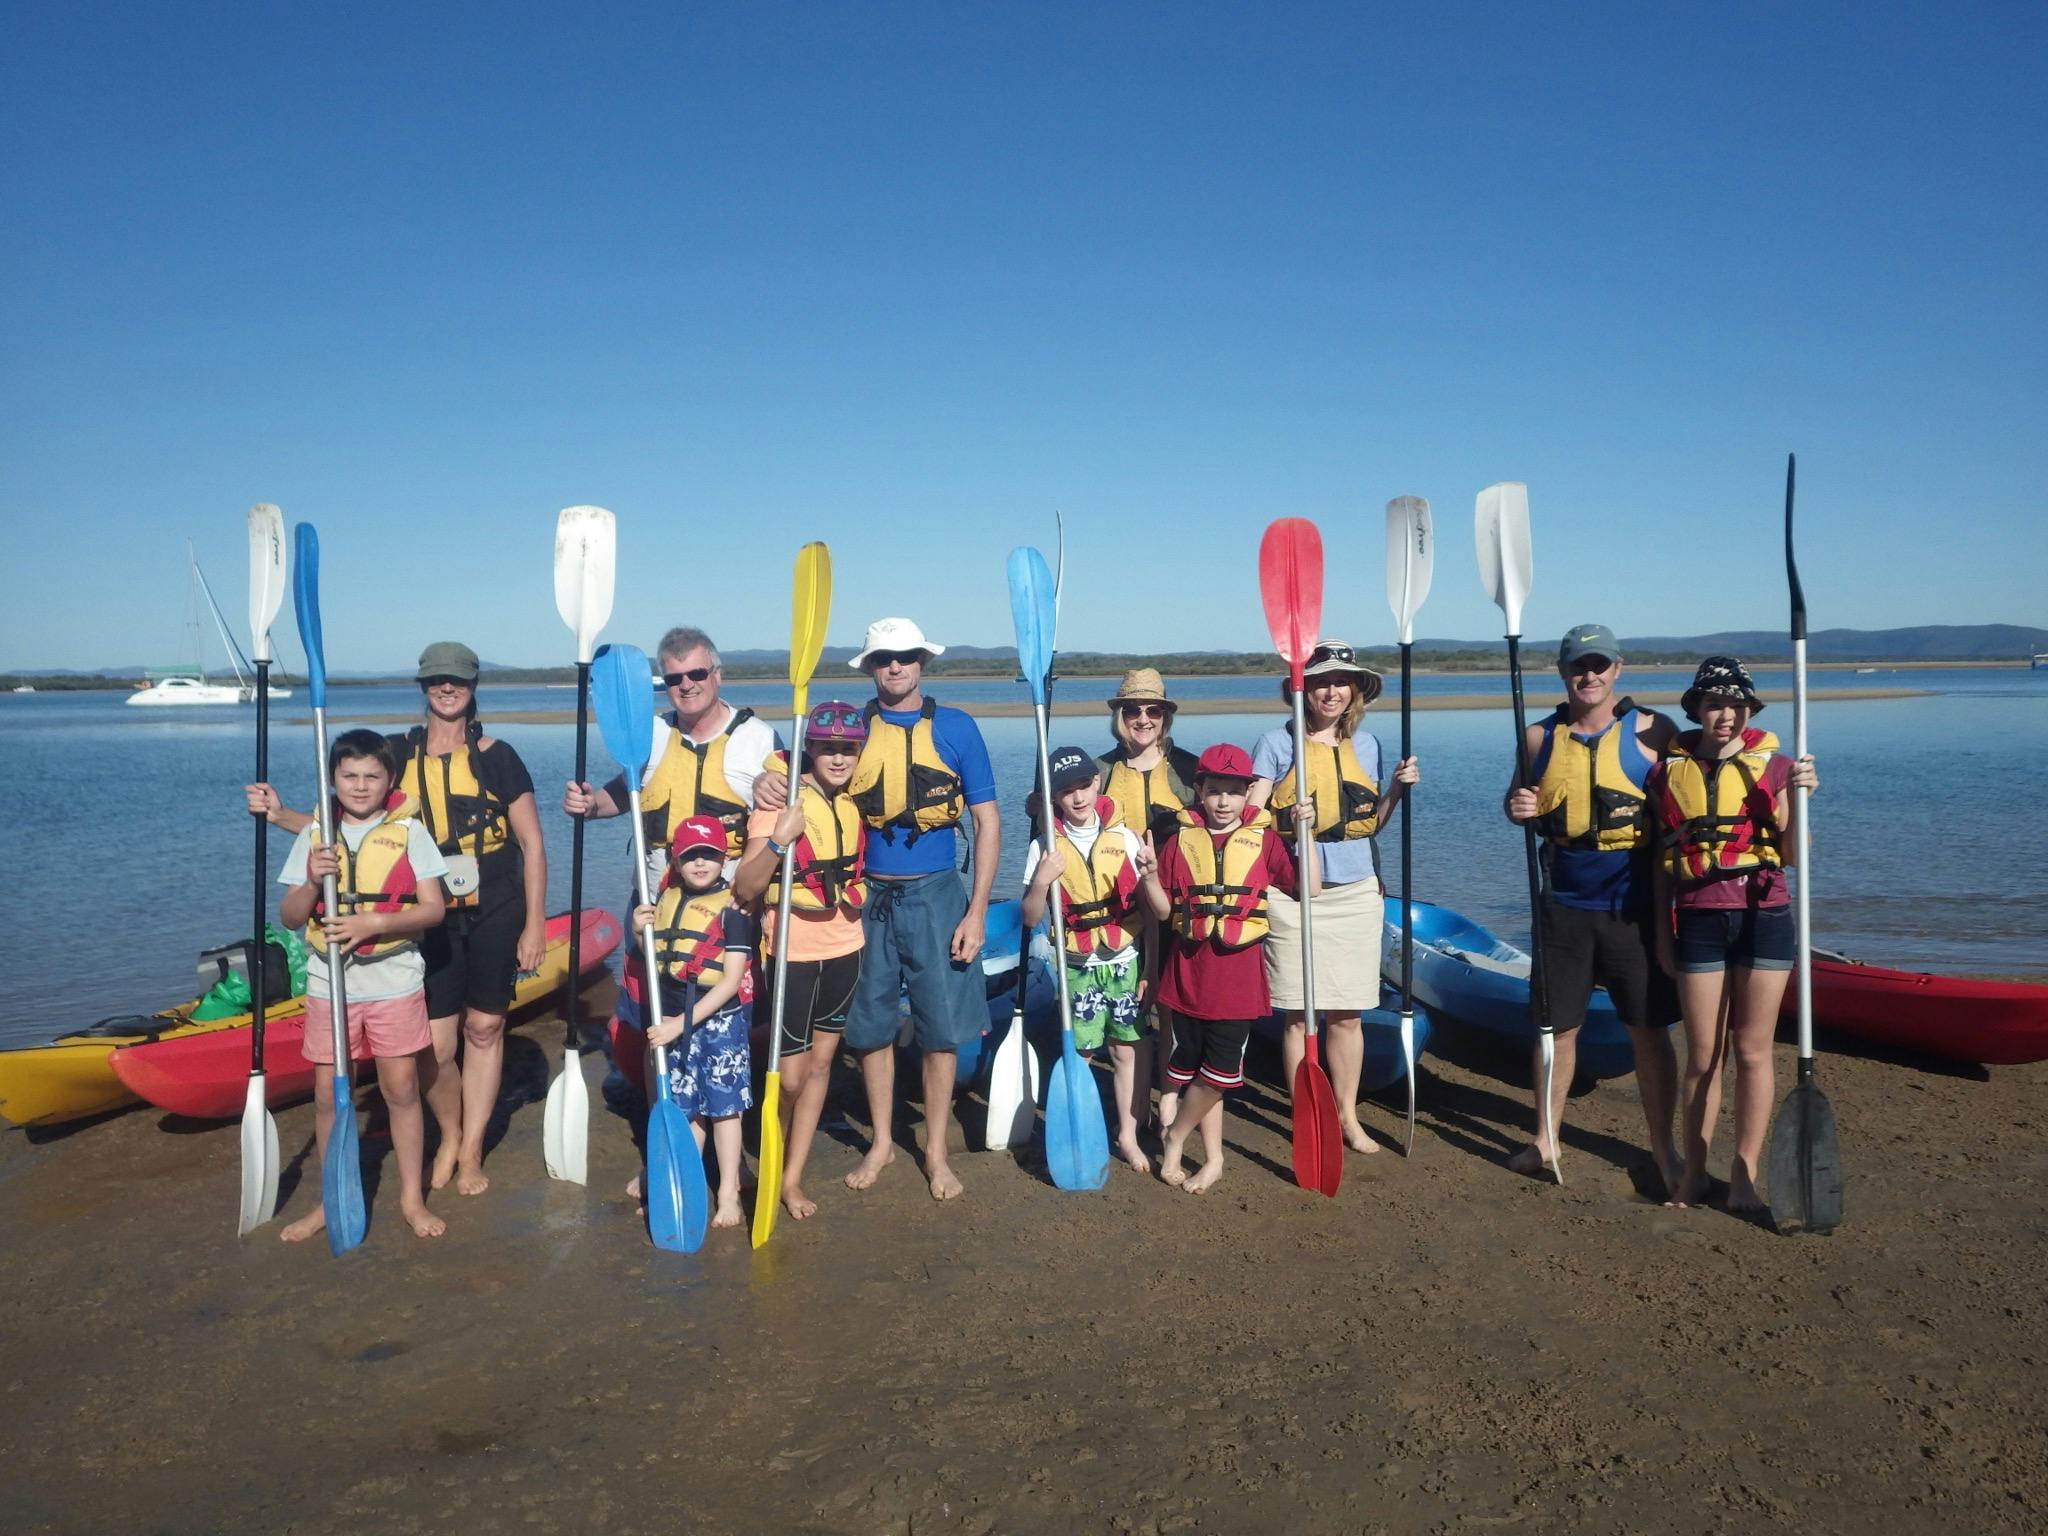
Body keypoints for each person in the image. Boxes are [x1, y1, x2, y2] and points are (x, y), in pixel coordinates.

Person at [249, 641, 547, 1198]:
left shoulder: (499, 756)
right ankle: (451, 1133)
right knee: (434, 1047)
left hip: (495, 907)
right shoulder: (393, 752)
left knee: (484, 1028)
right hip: (423, 917)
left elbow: (532, 844)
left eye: (456, 679)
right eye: (436, 679)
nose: (447, 688)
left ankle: (472, 1149)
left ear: (473, 685)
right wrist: (279, 814)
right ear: (423, 686)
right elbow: (348, 823)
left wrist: (534, 925)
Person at [755, 618, 999, 1201]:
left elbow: (988, 822)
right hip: (865, 897)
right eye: (883, 658)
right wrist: (767, 782)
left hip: (938, 893)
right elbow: (791, 768)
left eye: (906, 656)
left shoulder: (958, 729)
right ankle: (884, 1140)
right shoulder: (849, 730)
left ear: (922, 662)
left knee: (941, 1031)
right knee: (870, 1028)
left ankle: (936, 1153)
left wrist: (978, 912)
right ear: (869, 666)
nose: (896, 666)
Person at [1503, 624, 1683, 1191]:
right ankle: (1546, 1140)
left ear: (1618, 670)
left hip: (1633, 907)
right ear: (1562, 673)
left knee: (1648, 1031)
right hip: (1563, 905)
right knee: (1556, 1031)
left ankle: (1664, 1149)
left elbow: (1695, 798)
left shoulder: (1656, 733)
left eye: (1599, 665)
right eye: (1579, 666)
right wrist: (1518, 807)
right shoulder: (1537, 739)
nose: (1590, 675)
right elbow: (1514, 804)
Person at [1649, 656, 1818, 1215]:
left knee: (1752, 1049)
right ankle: (1694, 1175)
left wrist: (1802, 801)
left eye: (1737, 704)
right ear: (1696, 708)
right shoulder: (1667, 772)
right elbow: (1659, 864)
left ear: (1750, 709)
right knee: (1704, 1054)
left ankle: (1743, 1175)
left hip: (1763, 914)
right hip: (1697, 916)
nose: (1727, 715)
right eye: (1716, 703)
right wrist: (1663, 936)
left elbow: (1793, 857)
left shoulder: (1779, 767)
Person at [275, 729, 450, 1242]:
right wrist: (311, 881)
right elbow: (289, 918)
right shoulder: (315, 834)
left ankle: (411, 1198)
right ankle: (331, 1201)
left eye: (372, 776)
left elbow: (433, 908)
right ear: (333, 779)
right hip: (331, 986)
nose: (360, 785)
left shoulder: (409, 832)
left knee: (400, 1090)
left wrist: (372, 924)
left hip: (393, 981)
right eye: (349, 775)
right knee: (330, 1098)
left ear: (389, 780)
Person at [1249, 640, 1418, 1155]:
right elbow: (1250, 818)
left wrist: (1395, 792)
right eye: (1321, 680)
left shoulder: (1367, 748)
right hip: (1294, 892)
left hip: (1357, 891)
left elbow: (1369, 825)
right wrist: (1285, 820)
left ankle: (1347, 1116)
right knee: (1300, 1014)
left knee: (1348, 1013)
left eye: (1341, 681)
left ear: (1356, 691)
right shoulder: (1275, 745)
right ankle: (1308, 1112)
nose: (1331, 690)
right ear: (1301, 689)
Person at [1139, 744, 1316, 1193]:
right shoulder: (1179, 842)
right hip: (1188, 974)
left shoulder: (1266, 840)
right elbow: (1163, 912)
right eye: (1214, 791)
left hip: (1237, 980)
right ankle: (1214, 1158)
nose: (1223, 803)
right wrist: (1147, 875)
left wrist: (1305, 833)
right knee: (1197, 1070)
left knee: (1219, 1074)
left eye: (1234, 793)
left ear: (1248, 794)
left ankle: (1176, 1135)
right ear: (1198, 790)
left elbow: (1308, 888)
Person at [732, 701, 870, 1221]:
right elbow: (746, 885)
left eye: (847, 749)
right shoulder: (779, 802)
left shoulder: (851, 801)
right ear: (808, 748)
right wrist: (778, 840)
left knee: (820, 1066)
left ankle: (790, 1180)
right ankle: (768, 1153)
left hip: (846, 949)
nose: (838, 758)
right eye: (827, 747)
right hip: (792, 954)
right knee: (789, 1078)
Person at [1020, 745, 1160, 1173]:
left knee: (1126, 1052)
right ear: (1054, 797)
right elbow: (1030, 917)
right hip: (1078, 967)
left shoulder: (1125, 838)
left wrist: (1150, 971)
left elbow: (1153, 916)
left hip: (1125, 961)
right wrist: (1042, 882)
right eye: (1066, 791)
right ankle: (1078, 1124)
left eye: (1083, 786)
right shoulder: (1044, 847)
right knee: (1079, 1054)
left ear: (1096, 783)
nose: (1078, 798)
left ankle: (1128, 1135)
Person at [628, 814, 756, 1229]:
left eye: (710, 856)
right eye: (691, 856)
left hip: (717, 1024)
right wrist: (635, 931)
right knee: (687, 1110)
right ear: (675, 860)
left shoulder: (733, 911)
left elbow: (731, 982)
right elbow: (651, 952)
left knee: (724, 1110)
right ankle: (686, 1183)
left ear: (724, 859)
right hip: (673, 1020)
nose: (701, 864)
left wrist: (677, 1026)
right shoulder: (660, 901)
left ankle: (729, 1193)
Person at [1094, 667, 1200, 1134]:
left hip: (1174, 906)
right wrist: (1037, 808)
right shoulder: (1097, 771)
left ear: (1165, 716)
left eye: (1152, 710)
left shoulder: (1191, 770)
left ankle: (1170, 1099)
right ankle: (1133, 1110)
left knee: (1172, 1005)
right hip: (1117, 909)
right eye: (1132, 710)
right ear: (1119, 716)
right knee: (1133, 1009)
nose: (1142, 718)